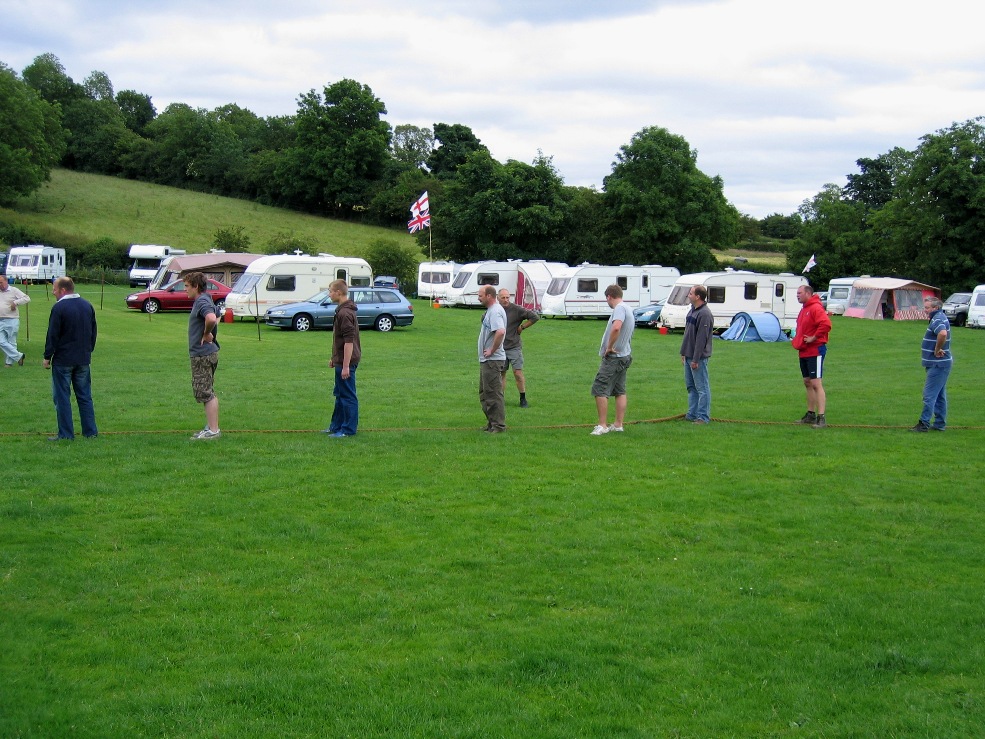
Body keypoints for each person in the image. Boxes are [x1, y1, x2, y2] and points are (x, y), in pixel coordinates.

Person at [42, 277, 97, 440]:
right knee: (85, 396)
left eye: (54, 289)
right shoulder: (87, 305)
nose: (53, 292)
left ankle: (66, 434)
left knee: (62, 397)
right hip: (83, 359)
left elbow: (53, 334)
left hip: (63, 361)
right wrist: (88, 350)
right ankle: (90, 432)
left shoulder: (59, 308)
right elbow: (93, 332)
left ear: (63, 290)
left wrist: (47, 356)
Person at [590, 284, 635, 435]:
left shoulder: (619, 309)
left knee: (599, 388)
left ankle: (602, 425)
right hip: (625, 355)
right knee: (619, 390)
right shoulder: (628, 308)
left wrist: (609, 347)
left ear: (609, 296)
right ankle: (618, 424)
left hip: (614, 357)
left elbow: (616, 327)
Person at [184, 272, 221, 440]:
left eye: (187, 286)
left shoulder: (202, 301)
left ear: (196, 286)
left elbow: (212, 318)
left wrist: (206, 333)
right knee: (207, 391)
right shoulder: (206, 299)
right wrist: (210, 332)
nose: (185, 290)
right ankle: (211, 427)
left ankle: (213, 431)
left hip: (203, 355)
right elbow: (218, 314)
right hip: (207, 353)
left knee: (206, 393)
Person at [324, 279, 361, 437]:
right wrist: (334, 358)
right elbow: (339, 340)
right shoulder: (342, 310)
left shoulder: (345, 313)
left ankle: (348, 430)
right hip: (341, 360)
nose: (329, 294)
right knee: (340, 395)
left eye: (330, 291)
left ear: (338, 292)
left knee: (347, 396)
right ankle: (336, 427)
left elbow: (349, 342)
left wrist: (345, 366)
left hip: (347, 362)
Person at [792, 284, 831, 428]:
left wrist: (814, 338)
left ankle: (821, 418)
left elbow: (826, 324)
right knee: (807, 382)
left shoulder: (815, 308)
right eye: (797, 293)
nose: (797, 295)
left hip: (815, 350)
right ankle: (810, 414)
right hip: (804, 350)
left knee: (816, 383)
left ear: (808, 293)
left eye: (800, 293)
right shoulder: (804, 309)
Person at [911, 295, 951, 432]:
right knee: (939, 395)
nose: (925, 310)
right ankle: (939, 424)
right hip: (940, 364)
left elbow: (943, 333)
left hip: (938, 364)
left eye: (927, 308)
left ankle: (924, 424)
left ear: (936, 307)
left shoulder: (938, 318)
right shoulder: (939, 317)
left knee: (929, 395)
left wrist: (937, 349)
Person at [497, 288, 539, 407]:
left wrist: (522, 327)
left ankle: (523, 398)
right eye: (503, 298)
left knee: (518, 372)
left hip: (514, 346)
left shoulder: (516, 309)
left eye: (507, 297)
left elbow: (534, 317)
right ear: (498, 298)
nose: (506, 300)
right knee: (501, 373)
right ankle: (500, 399)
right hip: (500, 347)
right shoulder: (495, 310)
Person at [680, 284, 713, 424]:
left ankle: (703, 417)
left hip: (697, 358)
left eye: (691, 293)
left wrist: (695, 359)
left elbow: (701, 339)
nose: (688, 295)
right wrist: (683, 352)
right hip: (688, 355)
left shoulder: (704, 314)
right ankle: (692, 414)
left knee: (702, 388)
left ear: (698, 296)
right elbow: (687, 334)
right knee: (691, 387)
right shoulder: (692, 311)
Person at [477, 284, 507, 433]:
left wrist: (492, 350)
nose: (478, 298)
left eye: (480, 295)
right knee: (485, 393)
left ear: (489, 296)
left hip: (492, 360)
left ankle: (498, 426)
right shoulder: (491, 310)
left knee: (493, 394)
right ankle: (491, 424)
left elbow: (500, 331)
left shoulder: (495, 311)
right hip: (487, 360)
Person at [0, 275, 30, 368]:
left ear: (6, 281)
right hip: (1, 319)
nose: (0, 285)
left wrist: (15, 302)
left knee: (11, 341)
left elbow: (26, 298)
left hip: (11, 319)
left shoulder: (13, 290)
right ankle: (19, 356)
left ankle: (9, 363)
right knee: (1, 341)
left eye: (1, 282)